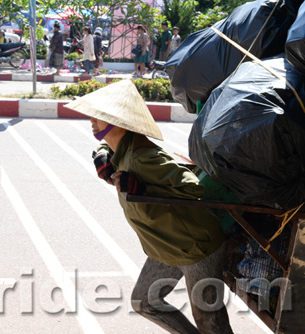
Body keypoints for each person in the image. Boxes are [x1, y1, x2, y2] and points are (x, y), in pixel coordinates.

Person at [65, 80, 233, 334]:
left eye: (98, 116)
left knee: (211, 324)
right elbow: (106, 147)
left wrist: (145, 189)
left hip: (196, 247)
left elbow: (193, 186)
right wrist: (101, 156)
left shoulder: (145, 158)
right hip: (165, 245)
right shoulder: (120, 150)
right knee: (144, 302)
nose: (91, 120)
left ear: (117, 122)